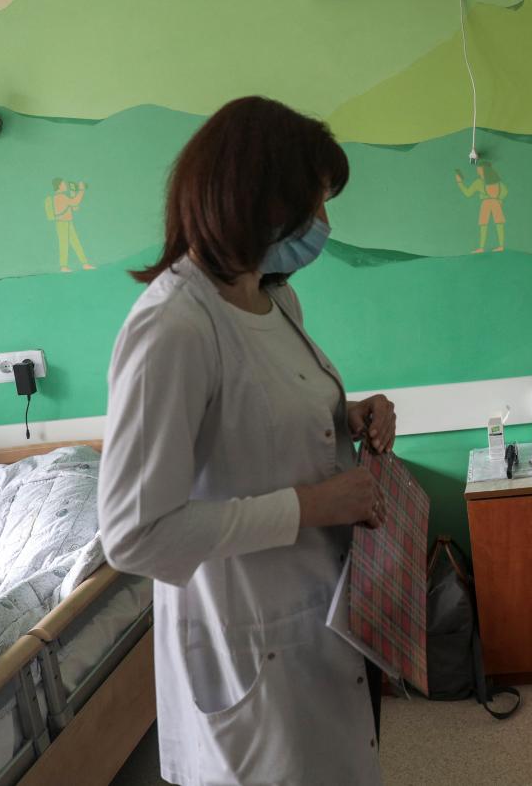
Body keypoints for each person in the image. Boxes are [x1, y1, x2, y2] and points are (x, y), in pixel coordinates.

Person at [98, 96, 395, 785]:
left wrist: (348, 414)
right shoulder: (172, 327)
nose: (324, 226)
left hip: (318, 612)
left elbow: (256, 417)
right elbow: (135, 534)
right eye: (314, 207)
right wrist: (314, 504)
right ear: (258, 202)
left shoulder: (273, 297)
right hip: (246, 640)